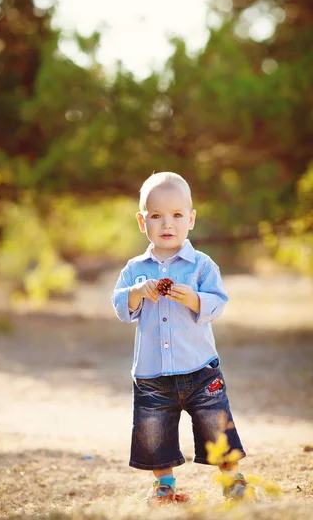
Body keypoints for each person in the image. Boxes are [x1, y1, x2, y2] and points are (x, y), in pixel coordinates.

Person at [111, 172, 251, 505]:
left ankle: (232, 478)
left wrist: (193, 299)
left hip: (200, 368)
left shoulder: (201, 266)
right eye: (156, 215)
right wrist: (136, 293)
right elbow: (120, 307)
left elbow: (218, 303)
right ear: (142, 222)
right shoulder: (134, 269)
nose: (167, 223)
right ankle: (164, 484)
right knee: (154, 431)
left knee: (216, 426)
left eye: (176, 215)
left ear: (191, 219)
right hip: (151, 374)